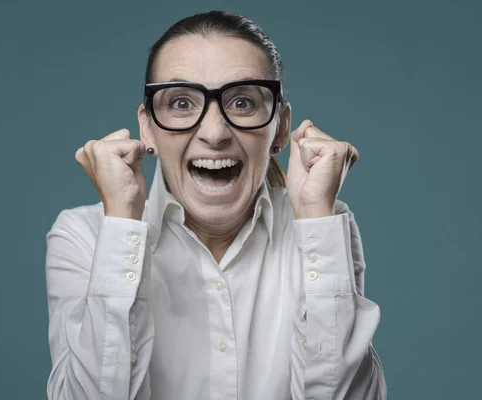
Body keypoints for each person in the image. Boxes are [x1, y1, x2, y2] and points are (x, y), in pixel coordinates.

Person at [45, 10, 386, 400]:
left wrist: (317, 222)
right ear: (147, 127)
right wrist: (121, 223)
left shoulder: (324, 228)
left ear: (280, 128)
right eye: (181, 104)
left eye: (242, 102)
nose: (215, 132)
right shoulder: (85, 238)